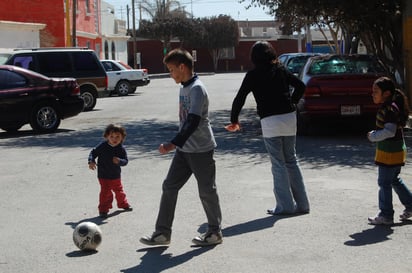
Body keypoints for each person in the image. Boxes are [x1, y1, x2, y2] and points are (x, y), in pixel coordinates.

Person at [140, 48, 223, 246]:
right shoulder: (184, 87)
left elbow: (193, 121)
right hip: (184, 151)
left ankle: (214, 233)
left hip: (201, 149)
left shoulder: (197, 89)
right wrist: (178, 146)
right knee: (169, 186)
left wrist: (172, 144)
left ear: (182, 67)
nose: (170, 74)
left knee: (206, 191)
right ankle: (162, 233)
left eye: (171, 70)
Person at [225, 41, 310, 215]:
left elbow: (240, 98)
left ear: (253, 57)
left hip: (270, 121)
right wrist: (292, 102)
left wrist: (234, 120)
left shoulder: (253, 75)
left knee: (278, 163)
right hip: (289, 118)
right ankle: (302, 205)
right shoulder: (280, 69)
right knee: (291, 160)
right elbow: (301, 86)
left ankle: (284, 206)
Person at [367, 76, 412, 225]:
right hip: (395, 150)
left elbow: (390, 131)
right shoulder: (390, 106)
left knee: (384, 183)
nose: (372, 94)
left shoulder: (390, 108)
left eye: (375, 91)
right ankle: (411, 206)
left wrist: (373, 136)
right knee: (394, 180)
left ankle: (386, 215)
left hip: (390, 152)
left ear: (386, 93)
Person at [88, 124, 132, 219]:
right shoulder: (103, 146)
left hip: (115, 175)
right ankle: (103, 210)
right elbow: (93, 152)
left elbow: (125, 161)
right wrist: (91, 161)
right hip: (103, 175)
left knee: (119, 191)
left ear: (122, 138)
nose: (114, 139)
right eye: (111, 136)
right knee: (105, 192)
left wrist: (120, 161)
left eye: (117, 137)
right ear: (106, 136)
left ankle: (123, 204)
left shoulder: (121, 149)